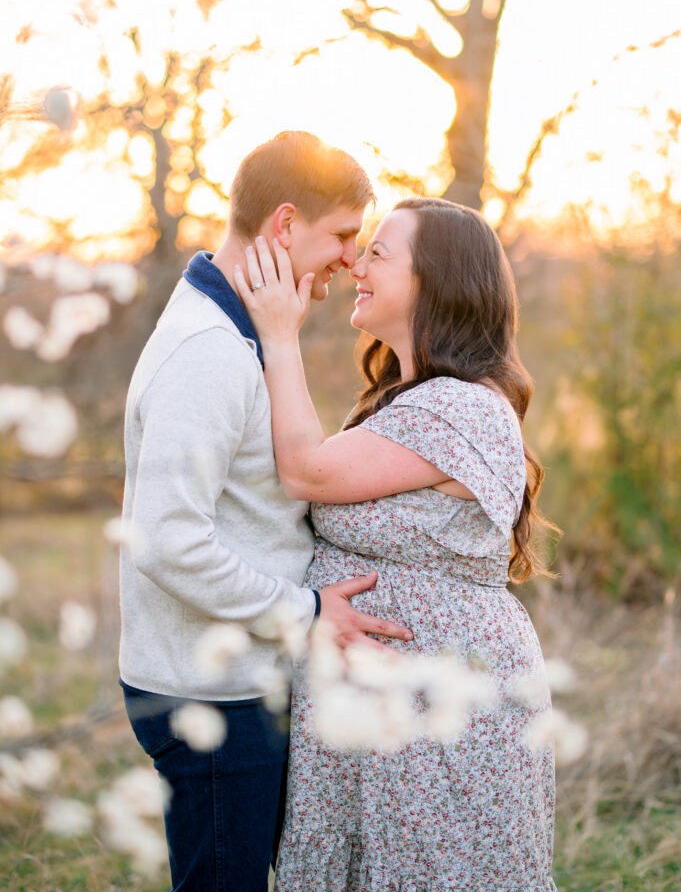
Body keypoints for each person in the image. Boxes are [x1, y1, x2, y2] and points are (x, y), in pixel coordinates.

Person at [118, 131, 414, 892]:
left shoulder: (237, 334)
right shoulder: (209, 352)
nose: (352, 260)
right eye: (343, 236)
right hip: (211, 692)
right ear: (284, 226)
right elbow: (165, 539)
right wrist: (306, 610)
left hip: (237, 678)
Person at [235, 196, 557, 891]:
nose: (355, 261)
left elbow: (306, 471)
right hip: (389, 704)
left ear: (434, 283)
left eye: (378, 251)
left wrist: (279, 334)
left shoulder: (462, 405)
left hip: (440, 701)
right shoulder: (406, 401)